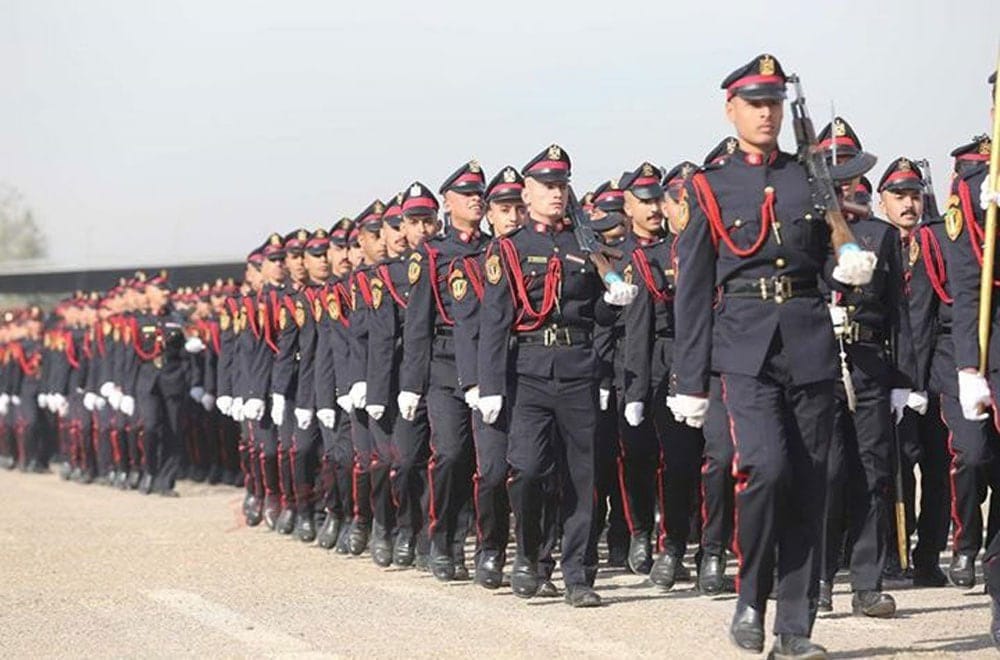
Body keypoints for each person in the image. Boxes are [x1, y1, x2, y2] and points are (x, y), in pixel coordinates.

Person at [671, 54, 875, 658]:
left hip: (809, 339)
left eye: (775, 103)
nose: (767, 113)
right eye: (756, 103)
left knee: (814, 483)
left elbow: (831, 241)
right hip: (744, 346)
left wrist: (849, 258)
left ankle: (794, 629)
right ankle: (749, 597)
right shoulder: (709, 186)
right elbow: (693, 287)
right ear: (730, 107)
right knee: (764, 468)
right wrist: (690, 377)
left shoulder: (808, 176)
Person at [477, 144, 637, 607]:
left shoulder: (584, 246)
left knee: (581, 476)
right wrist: (489, 387)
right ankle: (530, 556)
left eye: (562, 185)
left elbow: (598, 319)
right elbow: (494, 321)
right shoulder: (508, 249)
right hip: (527, 372)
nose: (556, 193)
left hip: (578, 369)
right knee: (527, 472)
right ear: (526, 193)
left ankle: (579, 575)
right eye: (547, 186)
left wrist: (613, 302)